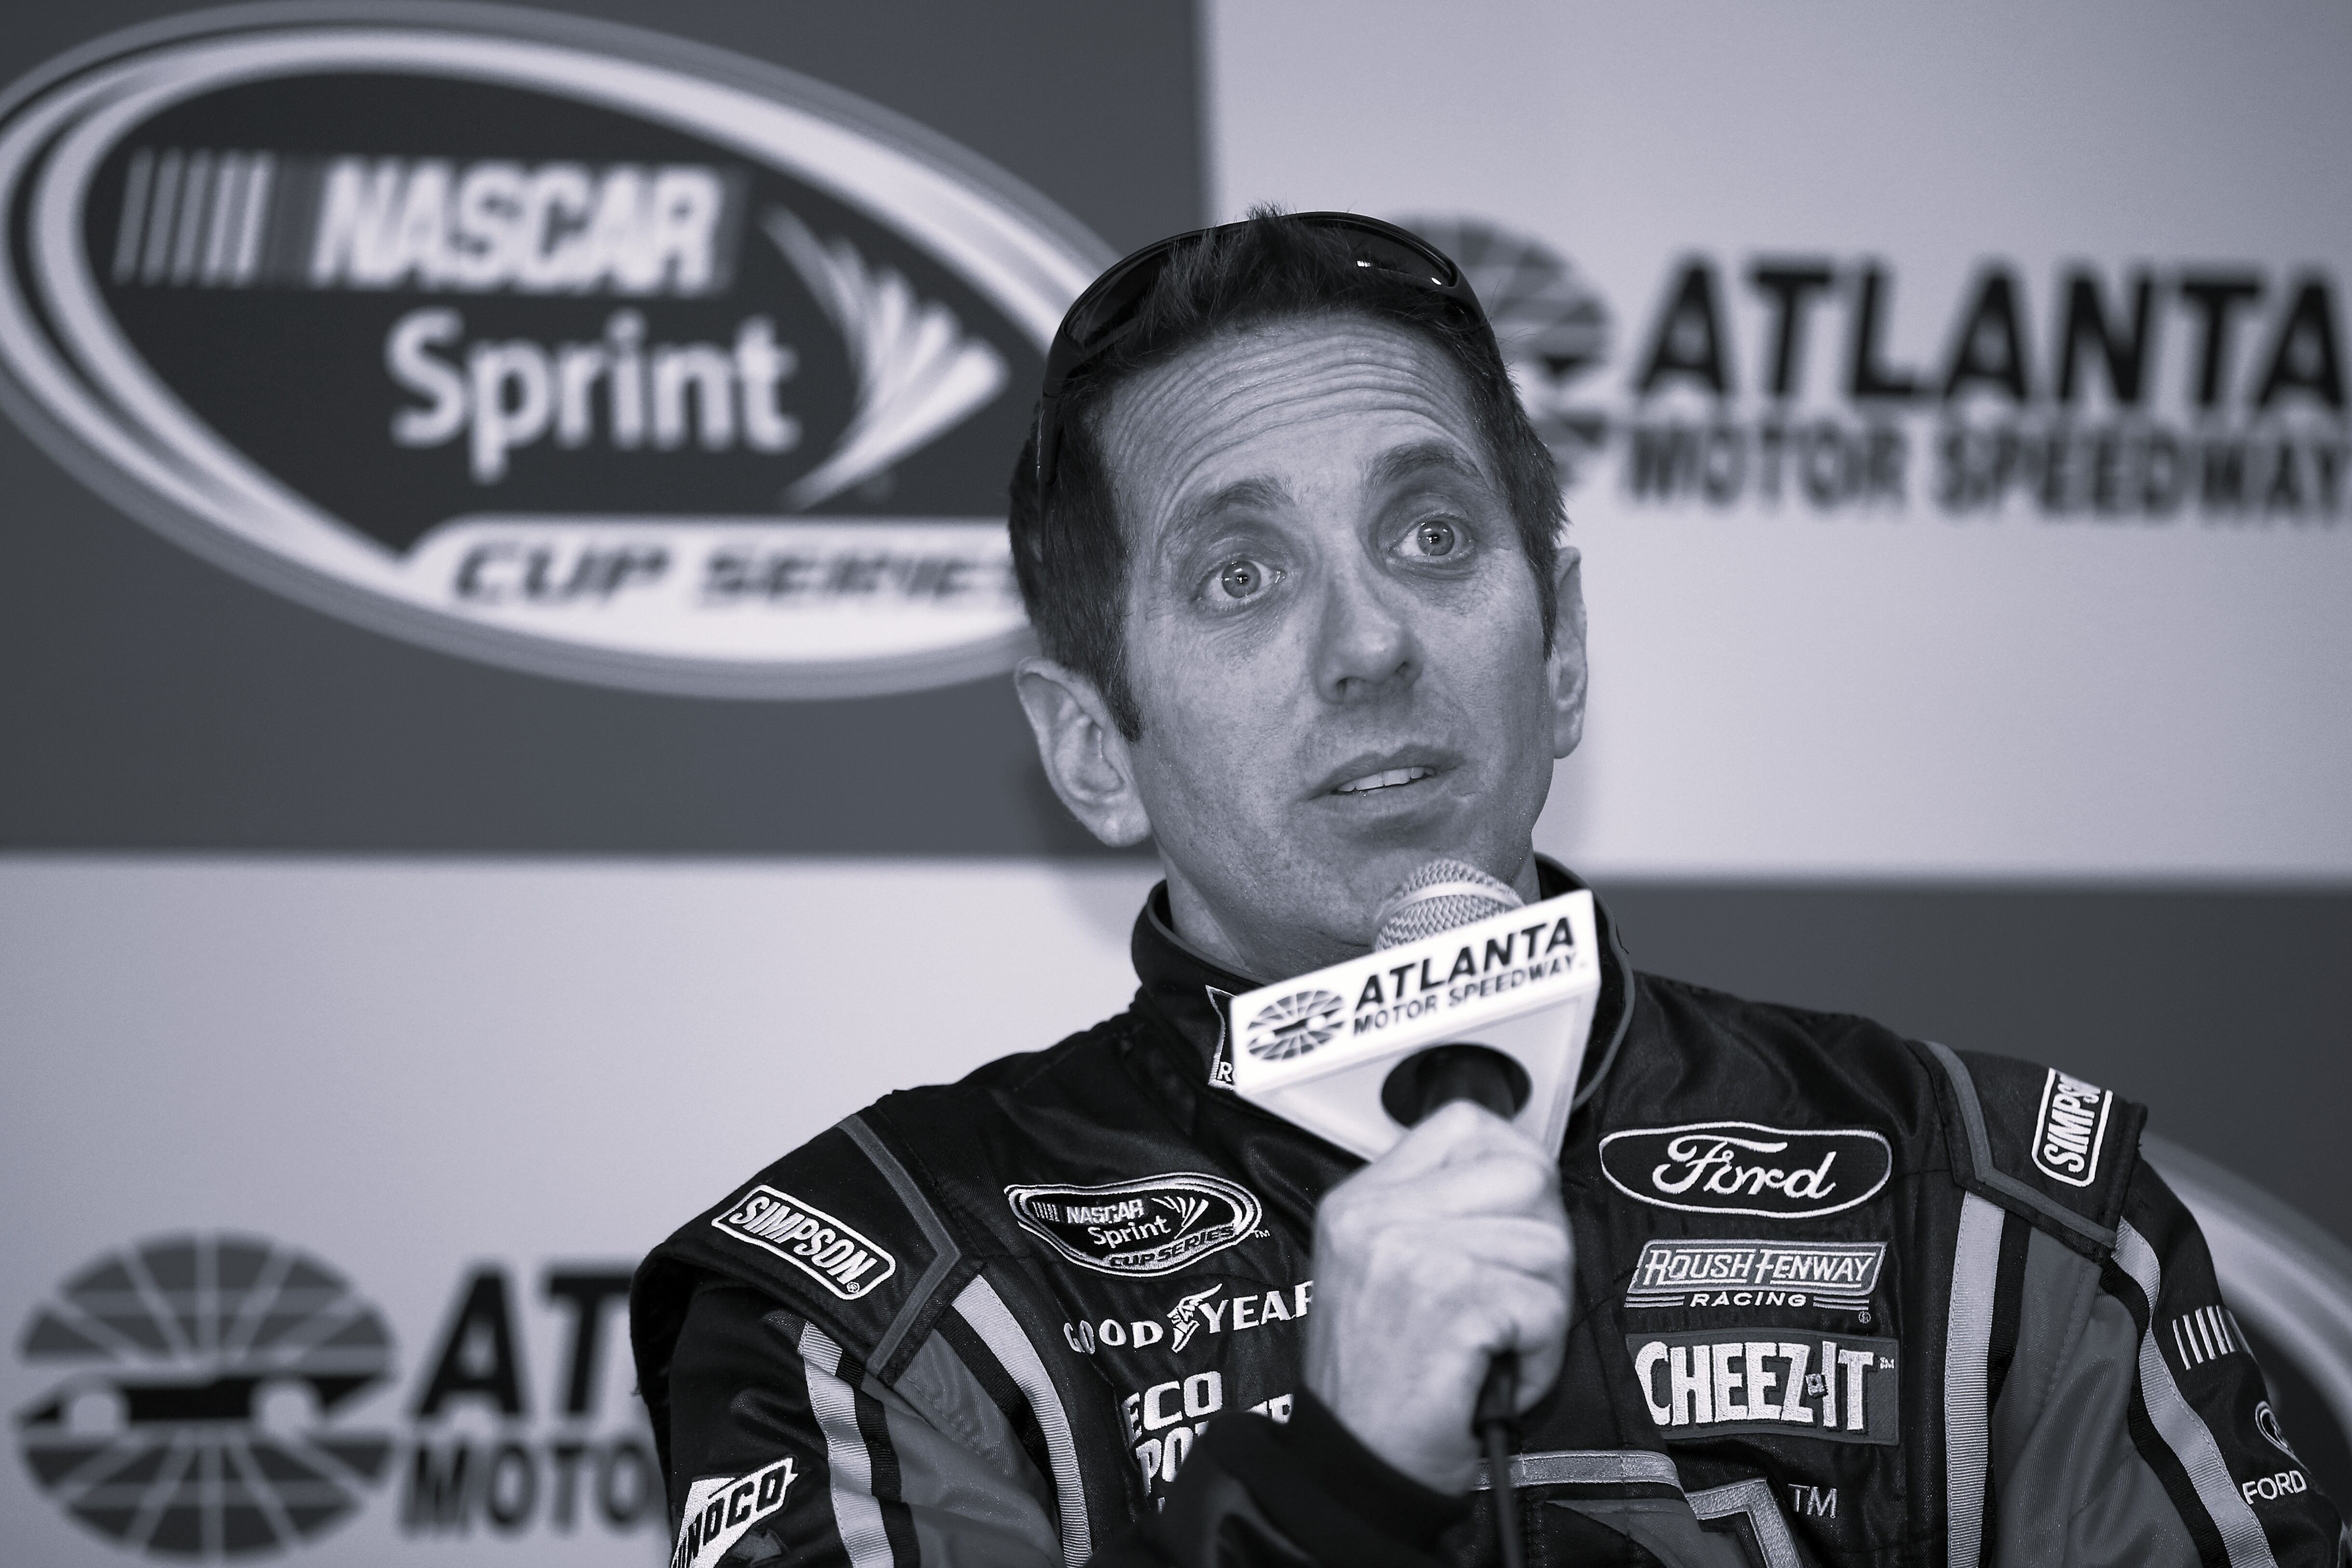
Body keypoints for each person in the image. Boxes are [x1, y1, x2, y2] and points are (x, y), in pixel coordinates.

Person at [630, 211, 2346, 1568]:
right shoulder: (877, 1289)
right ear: (1093, 745)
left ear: (1567, 648)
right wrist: (1329, 1481)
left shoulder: (1999, 1211)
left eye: (1435, 536)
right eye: (1241, 574)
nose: (1372, 642)